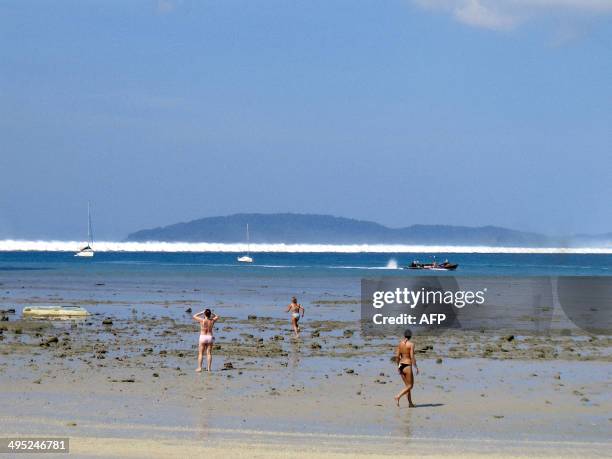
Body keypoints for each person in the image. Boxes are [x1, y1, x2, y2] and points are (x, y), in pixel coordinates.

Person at [394, 328, 419, 407]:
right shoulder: (411, 344)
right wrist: (416, 367)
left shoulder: (400, 344)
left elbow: (397, 356)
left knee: (407, 386)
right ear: (410, 336)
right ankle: (398, 396)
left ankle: (410, 403)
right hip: (407, 365)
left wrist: (398, 366)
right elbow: (412, 356)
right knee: (410, 386)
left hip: (401, 364)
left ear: (404, 335)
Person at [192, 308, 219, 372]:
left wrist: (201, 312)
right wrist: (212, 313)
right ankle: (209, 368)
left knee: (201, 353)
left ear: (205, 314)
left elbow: (194, 316)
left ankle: (199, 368)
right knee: (209, 353)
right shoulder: (212, 320)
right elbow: (217, 316)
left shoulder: (202, 320)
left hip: (203, 337)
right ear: (210, 314)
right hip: (209, 337)